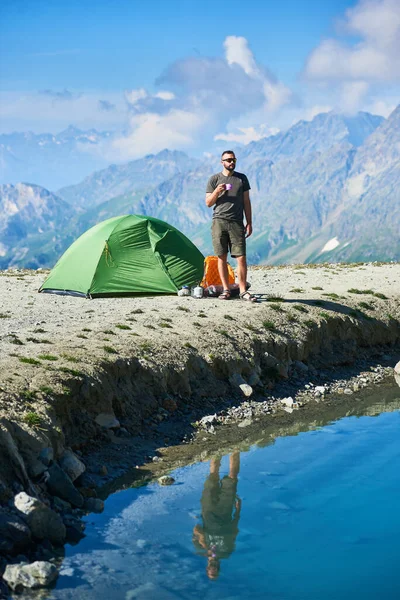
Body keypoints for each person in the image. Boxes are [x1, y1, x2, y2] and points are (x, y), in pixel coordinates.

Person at [205, 150, 257, 302]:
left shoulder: (241, 179)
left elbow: (246, 201)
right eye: (228, 160)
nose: (231, 162)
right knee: (221, 257)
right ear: (222, 162)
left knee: (241, 257)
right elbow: (208, 203)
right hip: (219, 221)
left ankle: (242, 291)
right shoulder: (214, 179)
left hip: (237, 222)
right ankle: (226, 289)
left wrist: (249, 222)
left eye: (233, 159)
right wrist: (217, 191)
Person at [192, 452, 242, 580]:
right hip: (226, 510)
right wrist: (237, 511)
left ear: (207, 568)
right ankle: (236, 449)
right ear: (219, 568)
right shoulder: (226, 552)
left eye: (211, 571)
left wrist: (204, 544)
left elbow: (196, 528)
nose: (213, 569)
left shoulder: (200, 550)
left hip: (208, 509)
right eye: (215, 571)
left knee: (213, 476)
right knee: (232, 477)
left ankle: (216, 452)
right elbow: (234, 530)